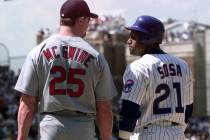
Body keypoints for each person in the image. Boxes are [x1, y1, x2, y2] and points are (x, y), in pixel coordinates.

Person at [14, 0, 117, 140]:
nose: (89, 25)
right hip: (83, 128)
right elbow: (104, 106)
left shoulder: (37, 52)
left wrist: (21, 138)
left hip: (51, 127)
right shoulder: (96, 56)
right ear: (81, 20)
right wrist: (106, 138)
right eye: (88, 20)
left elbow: (27, 102)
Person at [118, 15, 193, 140]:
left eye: (133, 36)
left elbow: (129, 110)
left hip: (148, 134)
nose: (128, 41)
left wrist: (123, 138)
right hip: (177, 134)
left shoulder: (138, 67)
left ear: (146, 38)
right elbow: (189, 108)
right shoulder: (183, 65)